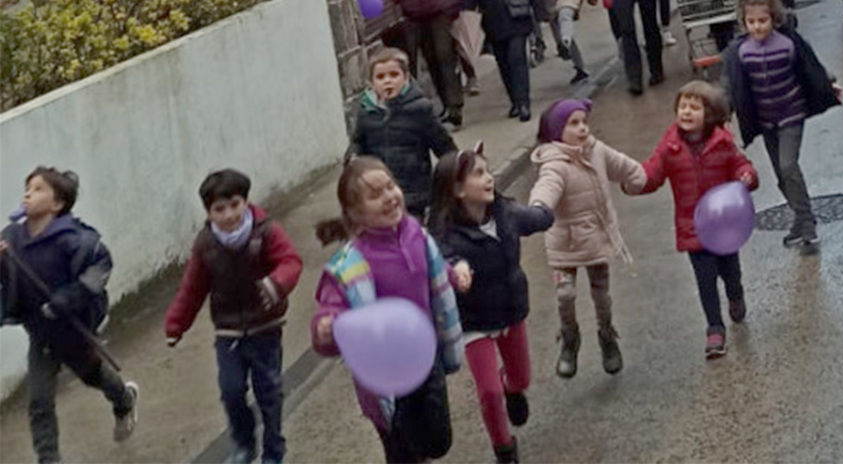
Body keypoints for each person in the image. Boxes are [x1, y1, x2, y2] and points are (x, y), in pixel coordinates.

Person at [311, 157, 463, 464]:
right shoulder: (349, 264)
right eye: (375, 194)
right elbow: (332, 308)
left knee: (437, 438)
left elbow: (433, 270)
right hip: (386, 373)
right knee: (401, 449)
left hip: (425, 355)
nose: (389, 197)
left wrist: (454, 275)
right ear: (355, 213)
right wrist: (326, 326)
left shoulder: (417, 235)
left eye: (390, 186)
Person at [164, 169, 303, 464]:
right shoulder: (206, 244)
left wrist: (276, 284)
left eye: (234, 205)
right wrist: (176, 323)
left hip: (265, 327)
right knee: (231, 390)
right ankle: (243, 444)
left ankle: (273, 450)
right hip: (228, 331)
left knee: (269, 392)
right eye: (219, 209)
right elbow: (192, 288)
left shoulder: (265, 232)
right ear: (209, 213)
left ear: (245, 202)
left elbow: (290, 261)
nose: (228, 215)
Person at [1, 168, 138, 464]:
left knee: (92, 375)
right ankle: (48, 459)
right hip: (40, 333)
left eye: (38, 189)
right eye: (27, 188)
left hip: (73, 329)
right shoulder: (11, 238)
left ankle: (124, 399)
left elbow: (99, 266)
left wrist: (68, 298)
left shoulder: (73, 238)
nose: (28, 194)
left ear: (57, 203)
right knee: (39, 401)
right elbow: (8, 276)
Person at [431, 147, 555, 464]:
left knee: (521, 379)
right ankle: (504, 449)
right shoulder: (444, 232)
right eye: (478, 174)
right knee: (489, 392)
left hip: (510, 311)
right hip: (474, 321)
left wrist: (547, 201)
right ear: (457, 189)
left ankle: (512, 388)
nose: (489, 178)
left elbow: (540, 218)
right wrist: (457, 269)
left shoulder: (506, 213)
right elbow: (442, 258)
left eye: (488, 171)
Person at [627, 82, 757, 359]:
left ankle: (735, 294)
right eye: (682, 106)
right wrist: (634, 182)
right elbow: (653, 174)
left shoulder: (723, 142)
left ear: (710, 114)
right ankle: (714, 329)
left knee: (730, 271)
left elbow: (740, 164)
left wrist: (746, 176)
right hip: (693, 227)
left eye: (694, 107)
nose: (686, 112)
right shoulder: (670, 147)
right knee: (705, 280)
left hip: (723, 225)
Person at [528, 100, 647, 378]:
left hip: (595, 238)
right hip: (564, 243)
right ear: (557, 130)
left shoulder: (597, 150)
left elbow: (625, 167)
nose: (582, 128)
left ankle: (607, 335)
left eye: (584, 121)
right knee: (565, 294)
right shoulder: (554, 163)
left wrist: (636, 179)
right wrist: (539, 209)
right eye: (573, 123)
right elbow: (546, 187)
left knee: (601, 295)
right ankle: (570, 337)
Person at [722, 0, 841, 249]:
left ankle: (807, 222)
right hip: (765, 121)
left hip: (791, 115)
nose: (757, 26)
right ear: (744, 22)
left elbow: (811, 66)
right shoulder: (739, 52)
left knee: (788, 166)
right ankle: (799, 217)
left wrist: (829, 83)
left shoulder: (788, 43)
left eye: (762, 21)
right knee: (781, 175)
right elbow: (729, 86)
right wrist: (722, 114)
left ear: (773, 19)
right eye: (751, 22)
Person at [348, 47, 458, 220]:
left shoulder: (420, 109)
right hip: (379, 192)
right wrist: (352, 156)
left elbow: (443, 144)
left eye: (394, 75)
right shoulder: (366, 112)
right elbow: (358, 140)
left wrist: (457, 171)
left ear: (406, 78)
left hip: (414, 193)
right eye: (380, 77)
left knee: (411, 231)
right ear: (372, 83)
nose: (388, 81)